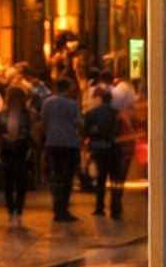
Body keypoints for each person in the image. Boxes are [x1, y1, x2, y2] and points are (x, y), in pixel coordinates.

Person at [39, 77, 83, 223]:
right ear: (69, 89)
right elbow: (78, 122)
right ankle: (63, 207)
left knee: (55, 175)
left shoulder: (47, 102)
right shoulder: (72, 104)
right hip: (69, 143)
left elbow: (43, 121)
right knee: (68, 177)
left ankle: (56, 204)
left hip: (52, 142)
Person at [0, 84, 35, 230]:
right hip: (7, 149)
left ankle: (17, 210)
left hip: (21, 150)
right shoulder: (3, 114)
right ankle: (12, 211)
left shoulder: (28, 114)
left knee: (21, 183)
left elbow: (31, 133)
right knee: (9, 183)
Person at [83, 84, 128, 219]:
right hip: (113, 148)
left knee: (101, 178)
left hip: (98, 148)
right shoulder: (117, 113)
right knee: (115, 179)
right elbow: (119, 131)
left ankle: (99, 207)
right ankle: (116, 208)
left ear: (101, 99)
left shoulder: (91, 114)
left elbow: (85, 131)